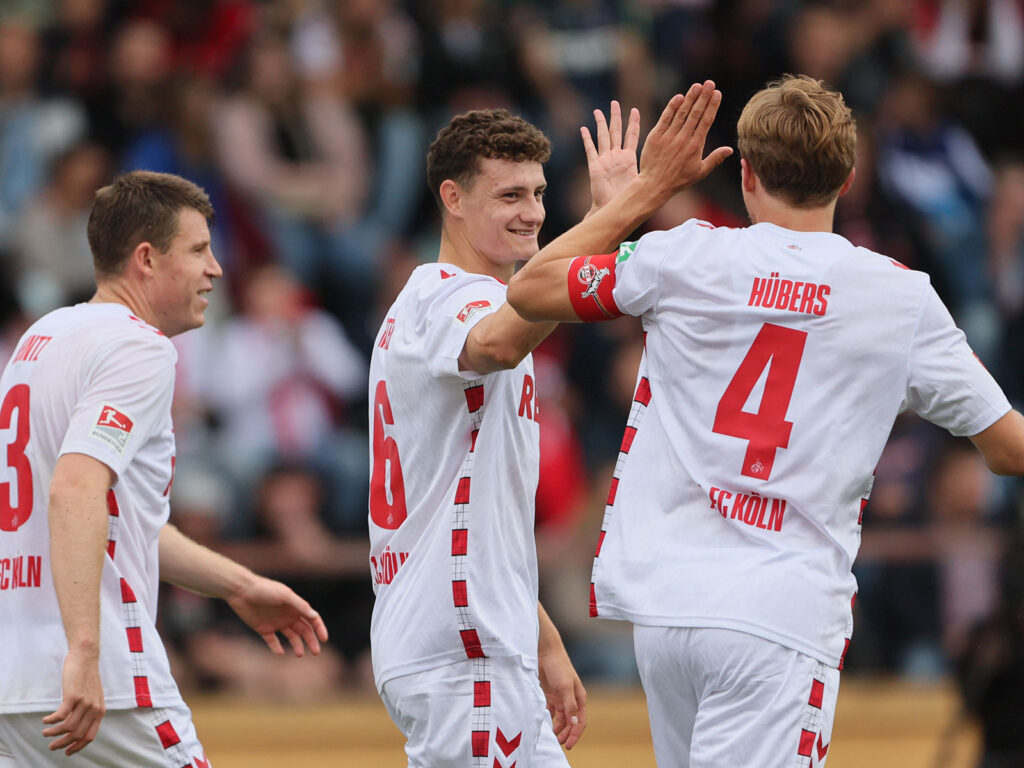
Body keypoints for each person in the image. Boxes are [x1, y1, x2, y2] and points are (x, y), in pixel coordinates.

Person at [507, 76, 1024, 767]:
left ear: (745, 173)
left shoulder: (684, 255)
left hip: (670, 607)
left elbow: (532, 287)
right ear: (846, 177)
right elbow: (1006, 447)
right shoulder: (900, 297)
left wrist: (641, 194)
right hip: (780, 611)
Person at [0, 171, 328, 766]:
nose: (217, 270)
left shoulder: (39, 339)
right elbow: (75, 489)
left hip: (15, 683)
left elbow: (113, 518)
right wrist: (85, 650)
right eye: (199, 250)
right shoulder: (139, 347)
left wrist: (240, 585)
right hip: (105, 681)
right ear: (147, 259)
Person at [367, 101, 648, 766]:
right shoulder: (452, 298)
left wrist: (543, 642)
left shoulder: (445, 300)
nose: (532, 211)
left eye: (540, 193)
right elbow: (498, 340)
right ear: (452, 198)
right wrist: (622, 213)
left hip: (477, 639)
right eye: (510, 195)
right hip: (462, 647)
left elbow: (478, 513)